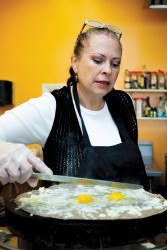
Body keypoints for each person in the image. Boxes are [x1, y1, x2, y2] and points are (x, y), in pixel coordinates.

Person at [0, 19, 150, 191]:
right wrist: (3, 150)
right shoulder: (52, 107)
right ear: (75, 63)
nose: (108, 70)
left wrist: (154, 208)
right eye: (98, 60)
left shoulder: (124, 103)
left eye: (115, 64)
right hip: (71, 218)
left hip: (135, 216)